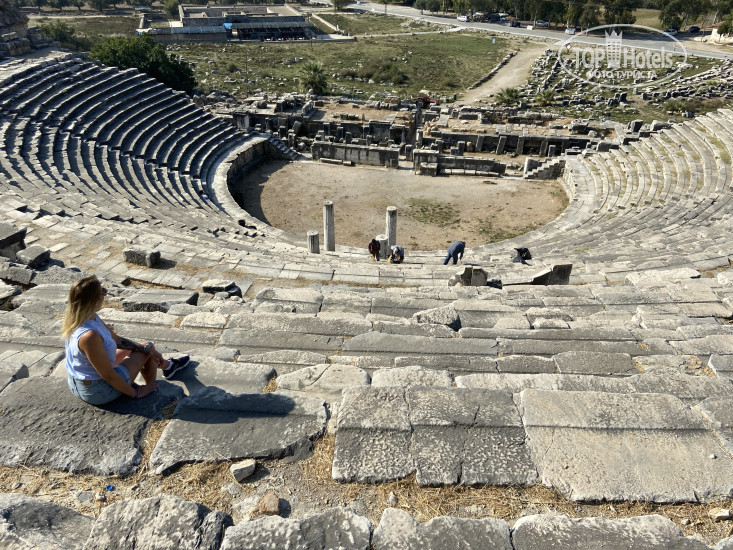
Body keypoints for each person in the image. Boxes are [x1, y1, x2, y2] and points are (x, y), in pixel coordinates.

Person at [62, 276, 190, 406]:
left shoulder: (85, 317)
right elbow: (108, 375)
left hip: (82, 382)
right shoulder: (90, 336)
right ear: (94, 300)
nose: (105, 295)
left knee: (147, 347)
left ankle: (167, 366)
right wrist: (135, 392)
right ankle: (152, 390)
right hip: (98, 390)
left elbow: (116, 340)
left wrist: (147, 348)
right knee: (146, 351)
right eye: (103, 292)